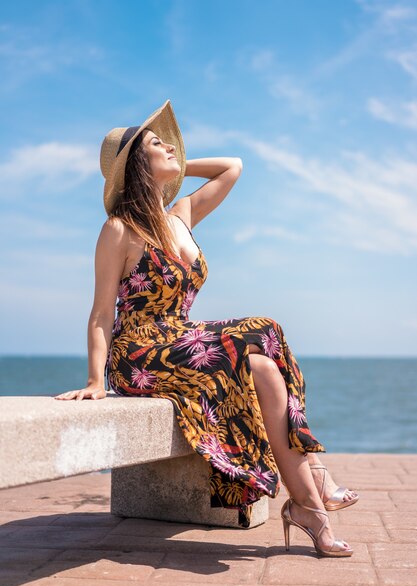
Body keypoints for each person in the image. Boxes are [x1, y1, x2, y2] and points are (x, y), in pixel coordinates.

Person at [56, 100, 358, 557]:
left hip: (181, 338)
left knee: (264, 359)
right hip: (139, 352)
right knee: (253, 336)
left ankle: (308, 503)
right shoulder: (119, 229)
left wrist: (174, 166)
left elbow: (232, 167)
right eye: (158, 145)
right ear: (137, 163)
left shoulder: (182, 216)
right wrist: (96, 381)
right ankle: (312, 484)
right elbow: (101, 312)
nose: (172, 147)